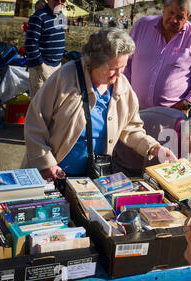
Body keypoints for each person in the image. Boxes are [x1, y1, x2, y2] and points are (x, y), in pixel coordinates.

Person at [22, 28, 177, 180]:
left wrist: (155, 148)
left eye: (122, 68)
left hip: (93, 177)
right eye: (113, 69)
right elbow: (35, 123)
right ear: (94, 62)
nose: (119, 74)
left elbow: (131, 130)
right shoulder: (65, 77)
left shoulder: (122, 86)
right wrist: (46, 163)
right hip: (52, 174)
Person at [123, 0, 191, 116]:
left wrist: (188, 102)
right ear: (164, 7)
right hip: (132, 110)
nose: (174, 20)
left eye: (180, 17)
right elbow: (125, 62)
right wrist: (124, 92)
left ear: (189, 17)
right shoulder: (141, 26)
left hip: (171, 116)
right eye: (171, 13)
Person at [112, 107, 191, 177]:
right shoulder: (163, 137)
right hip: (122, 162)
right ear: (188, 137)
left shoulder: (183, 123)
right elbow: (152, 175)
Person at [25, 0, 67, 100]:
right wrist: (41, 65)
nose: (60, 2)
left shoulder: (61, 15)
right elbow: (30, 44)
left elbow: (59, 37)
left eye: (63, 0)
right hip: (41, 67)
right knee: (39, 106)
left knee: (53, 105)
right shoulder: (38, 16)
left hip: (57, 66)